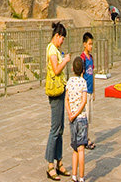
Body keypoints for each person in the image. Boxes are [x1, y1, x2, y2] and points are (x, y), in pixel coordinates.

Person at [45, 22, 71, 180]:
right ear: (57, 36)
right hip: (55, 93)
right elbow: (56, 69)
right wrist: (66, 60)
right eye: (62, 38)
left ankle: (59, 162)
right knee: (55, 130)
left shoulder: (57, 50)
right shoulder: (52, 50)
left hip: (61, 90)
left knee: (60, 129)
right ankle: (49, 164)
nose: (63, 41)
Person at [66, 56, 89, 182]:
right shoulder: (83, 82)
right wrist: (76, 114)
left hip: (72, 119)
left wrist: (70, 114)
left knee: (74, 148)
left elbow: (67, 100)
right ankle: (81, 177)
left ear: (72, 69)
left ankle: (74, 175)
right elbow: (84, 101)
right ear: (83, 71)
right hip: (81, 118)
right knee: (81, 149)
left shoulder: (69, 82)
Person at [80, 32, 96, 149]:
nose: (91, 46)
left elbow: (92, 74)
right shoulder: (82, 59)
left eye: (92, 44)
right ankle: (84, 138)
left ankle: (85, 136)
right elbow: (81, 76)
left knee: (88, 117)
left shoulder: (91, 58)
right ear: (84, 44)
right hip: (84, 92)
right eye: (89, 44)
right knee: (84, 117)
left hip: (90, 91)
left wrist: (94, 90)